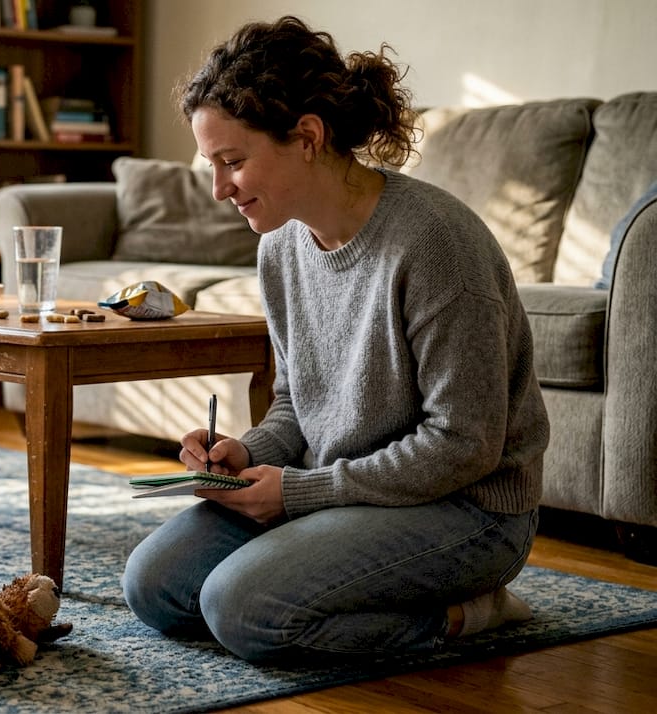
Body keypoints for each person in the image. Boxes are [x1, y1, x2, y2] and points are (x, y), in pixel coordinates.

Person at [120, 16, 549, 663]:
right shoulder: (279, 249)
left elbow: (465, 444)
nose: (218, 189)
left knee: (242, 609)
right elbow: (299, 404)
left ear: (308, 137)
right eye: (212, 165)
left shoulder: (434, 243)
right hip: (349, 492)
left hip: (468, 513)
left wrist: (298, 493)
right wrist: (244, 452)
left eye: (233, 162)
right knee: (153, 586)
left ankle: (467, 613)